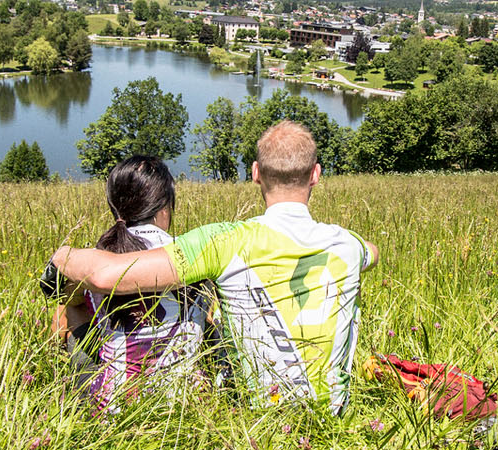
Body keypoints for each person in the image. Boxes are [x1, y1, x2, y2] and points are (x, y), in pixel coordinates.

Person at [49, 121, 378, 415]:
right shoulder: (349, 245)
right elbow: (371, 253)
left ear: (256, 173)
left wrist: (62, 256)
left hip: (257, 415)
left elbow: (107, 275)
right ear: (316, 174)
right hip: (333, 415)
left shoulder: (223, 241)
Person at [49, 155, 209, 413]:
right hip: (183, 410)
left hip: (114, 409)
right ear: (164, 207)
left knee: (68, 310)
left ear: (115, 207)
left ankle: (68, 389)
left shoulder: (102, 259)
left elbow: (66, 307)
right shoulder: (192, 252)